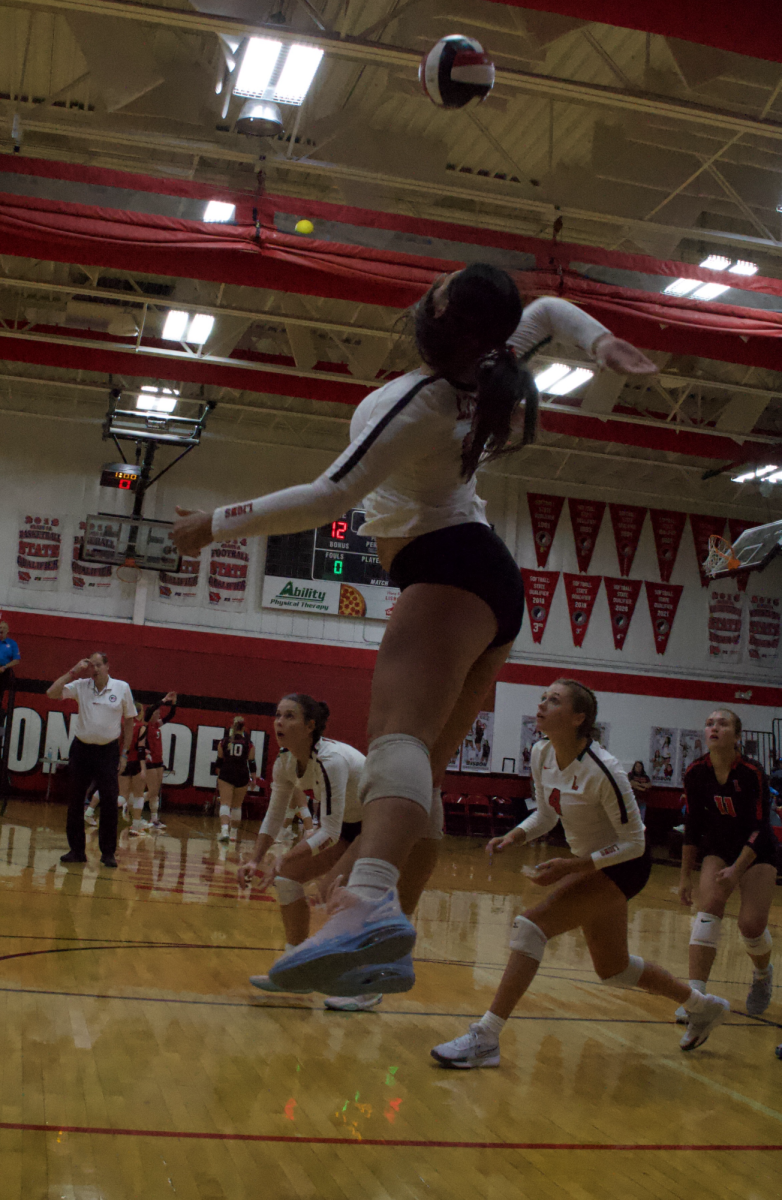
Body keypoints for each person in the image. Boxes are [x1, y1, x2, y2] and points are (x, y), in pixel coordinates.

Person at [173, 264, 658, 996]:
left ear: (436, 310)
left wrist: (213, 525)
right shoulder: (489, 364)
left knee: (394, 745)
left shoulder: (423, 399)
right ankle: (383, 945)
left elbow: (330, 493)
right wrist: (600, 342)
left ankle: (368, 900)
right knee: (419, 775)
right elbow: (552, 307)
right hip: (484, 576)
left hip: (448, 567)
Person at [429, 680, 729, 1068]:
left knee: (530, 926)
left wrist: (574, 866)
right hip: (593, 861)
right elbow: (547, 813)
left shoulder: (605, 770)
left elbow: (635, 844)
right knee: (614, 969)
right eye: (542, 698)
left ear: (578, 718)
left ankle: (486, 1037)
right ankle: (701, 1006)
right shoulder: (541, 753)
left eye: (553, 701)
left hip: (625, 866)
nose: (541, 705)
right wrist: (516, 834)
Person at [237, 694, 387, 1011]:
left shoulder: (331, 759)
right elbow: (274, 815)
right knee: (289, 879)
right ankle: (297, 972)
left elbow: (329, 832)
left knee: (338, 891)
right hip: (349, 825)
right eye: (277, 714)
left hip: (379, 822)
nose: (280, 721)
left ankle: (368, 983)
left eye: (290, 716)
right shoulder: (285, 762)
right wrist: (255, 858)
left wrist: (284, 857)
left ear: (309, 726)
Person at [678, 708, 777, 1019]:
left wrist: (737, 869)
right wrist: (685, 877)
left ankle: (763, 975)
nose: (714, 728)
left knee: (750, 925)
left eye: (722, 723)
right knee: (708, 910)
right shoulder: (695, 772)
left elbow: (761, 826)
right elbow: (692, 826)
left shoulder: (752, 772)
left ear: (737, 735)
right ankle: (696, 997)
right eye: (709, 723)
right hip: (719, 848)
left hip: (758, 850)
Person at [46, 651, 136, 868]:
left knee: (109, 801)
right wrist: (73, 671)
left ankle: (108, 853)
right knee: (76, 800)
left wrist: (124, 754)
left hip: (108, 751)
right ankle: (76, 850)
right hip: (82, 749)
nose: (94, 669)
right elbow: (51, 693)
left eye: (98, 665)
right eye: (91, 666)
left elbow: (130, 722)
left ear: (107, 666)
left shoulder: (122, 688)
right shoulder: (81, 685)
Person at [138, 692, 177, 832]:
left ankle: (154, 819)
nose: (159, 715)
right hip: (149, 761)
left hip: (158, 761)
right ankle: (131, 805)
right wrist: (163, 700)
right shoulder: (146, 725)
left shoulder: (156, 726)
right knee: (152, 790)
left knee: (156, 792)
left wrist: (173, 703)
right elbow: (148, 711)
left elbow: (170, 716)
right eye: (157, 712)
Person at [216, 714, 255, 843]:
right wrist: (253, 779)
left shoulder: (224, 742)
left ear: (232, 727)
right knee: (237, 806)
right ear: (243, 728)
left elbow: (219, 762)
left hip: (227, 773)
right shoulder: (249, 744)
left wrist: (219, 776)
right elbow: (252, 763)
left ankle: (224, 831)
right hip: (242, 774)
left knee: (225, 803)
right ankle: (233, 834)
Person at [122, 702, 148, 836]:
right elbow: (141, 749)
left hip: (122, 761)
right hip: (136, 763)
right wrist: (143, 769)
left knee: (122, 795)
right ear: (140, 712)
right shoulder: (141, 727)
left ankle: (110, 820)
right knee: (138, 795)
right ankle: (136, 825)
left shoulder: (121, 724)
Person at [0, 619, 20, 699]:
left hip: (3, 671)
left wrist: (4, 667)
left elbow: (16, 660)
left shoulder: (12, 643)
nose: (1, 629)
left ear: (7, 630)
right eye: (0, 627)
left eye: (4, 628)